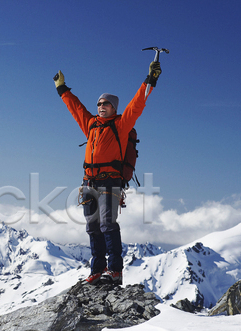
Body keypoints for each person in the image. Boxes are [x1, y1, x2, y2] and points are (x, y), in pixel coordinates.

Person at [53, 61, 161, 285]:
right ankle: (97, 269)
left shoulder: (121, 125)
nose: (101, 106)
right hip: (88, 182)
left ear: (114, 108)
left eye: (106, 104)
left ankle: (115, 270)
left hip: (110, 182)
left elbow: (137, 104)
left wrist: (150, 79)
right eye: (100, 103)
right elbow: (76, 108)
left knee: (107, 225)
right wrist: (62, 89)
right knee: (93, 226)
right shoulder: (91, 124)